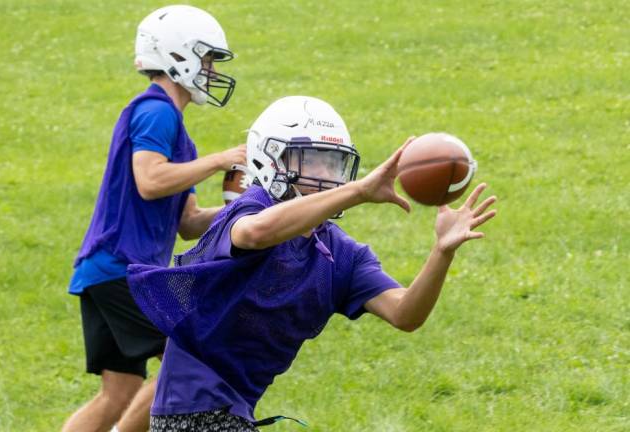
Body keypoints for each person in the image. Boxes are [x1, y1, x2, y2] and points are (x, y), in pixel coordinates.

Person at [127, 96, 498, 431]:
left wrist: (442, 252)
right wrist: (359, 192)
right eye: (312, 161)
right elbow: (254, 234)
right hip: (193, 402)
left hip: (233, 408)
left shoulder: (340, 253)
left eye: (335, 164)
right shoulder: (250, 207)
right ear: (269, 161)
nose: (326, 176)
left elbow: (405, 314)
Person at [63, 5, 246, 432]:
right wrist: (220, 159)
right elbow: (149, 179)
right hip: (120, 269)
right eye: (207, 59)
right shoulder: (157, 111)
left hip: (105, 269)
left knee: (119, 392)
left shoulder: (175, 127)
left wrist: (248, 207)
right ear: (177, 56)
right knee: (190, 355)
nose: (211, 70)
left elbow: (190, 221)